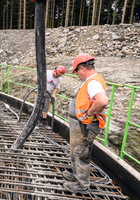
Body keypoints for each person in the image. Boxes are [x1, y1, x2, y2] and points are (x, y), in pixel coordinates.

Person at [63, 54, 109, 194]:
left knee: (81, 153)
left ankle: (82, 185)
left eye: (76, 72)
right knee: (75, 150)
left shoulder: (93, 82)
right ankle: (76, 175)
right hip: (81, 126)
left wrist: (89, 113)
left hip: (86, 126)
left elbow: (102, 101)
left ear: (82, 68)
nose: (77, 75)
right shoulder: (91, 81)